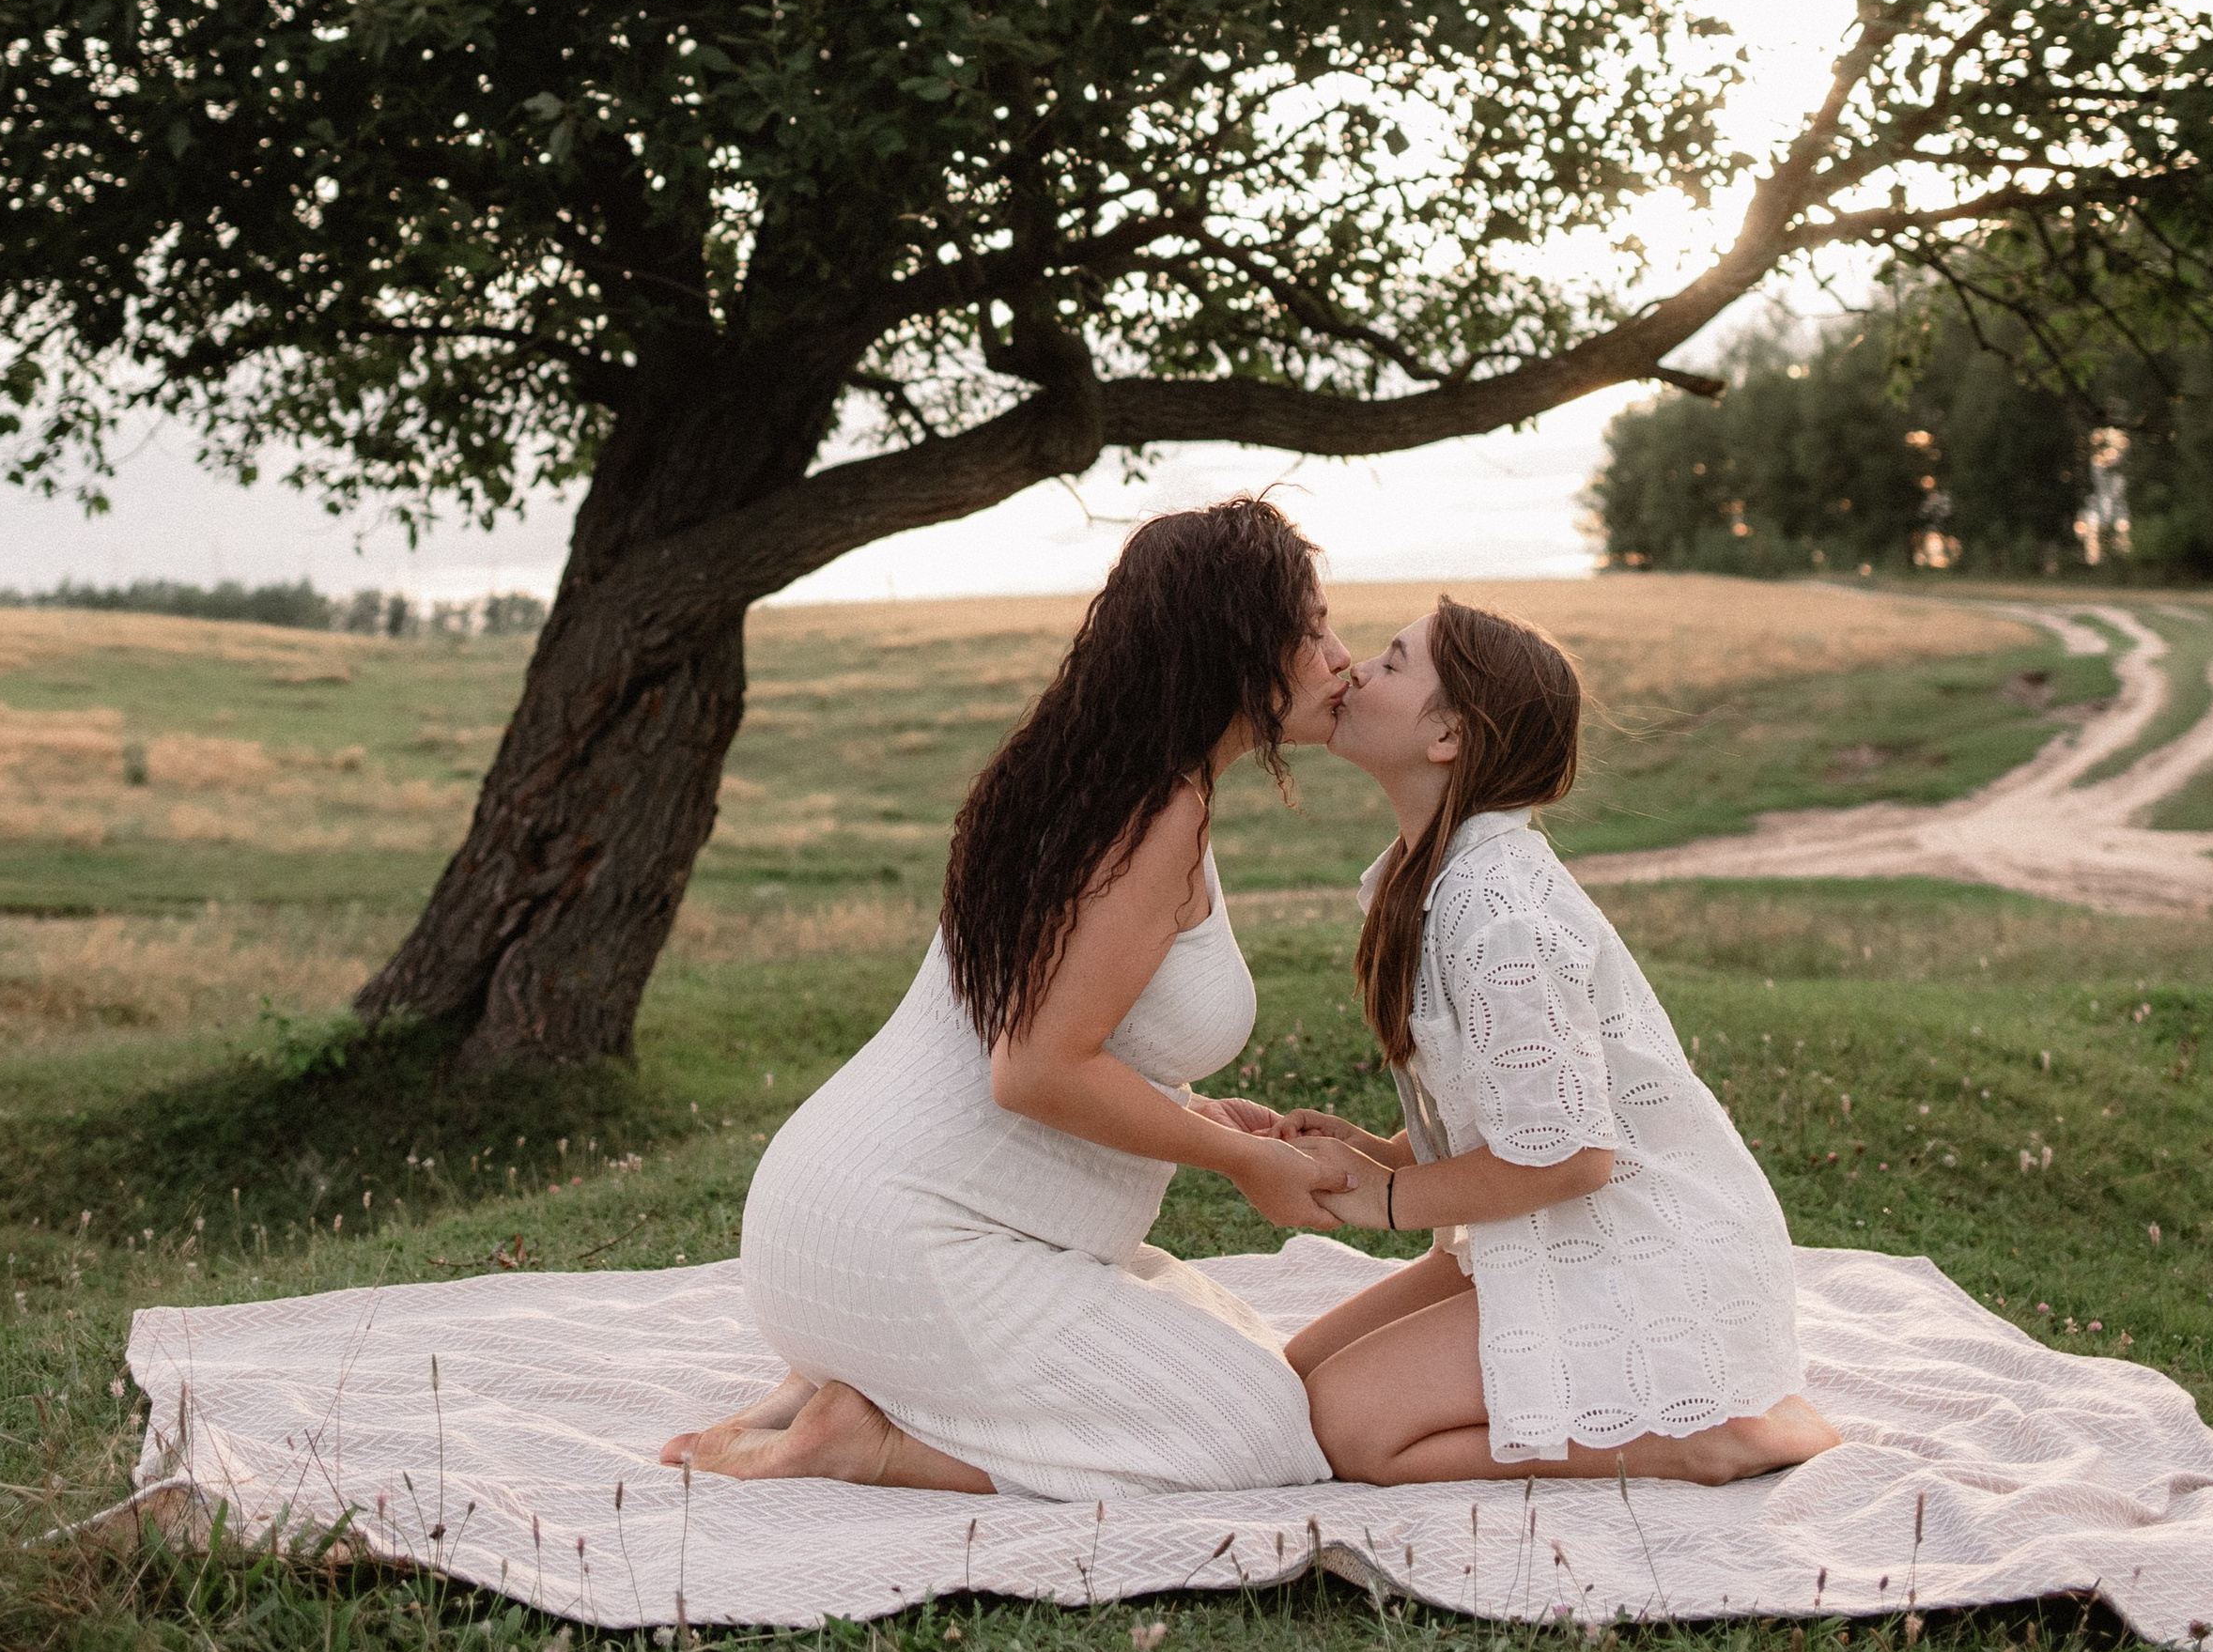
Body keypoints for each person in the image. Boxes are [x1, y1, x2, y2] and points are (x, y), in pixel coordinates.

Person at [662, 498, 1355, 1497]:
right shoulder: (1153, 812)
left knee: (1235, 1341)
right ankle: (871, 1441)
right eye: (1312, 629)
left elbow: (1057, 1032)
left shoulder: (1095, 782)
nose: (1340, 656)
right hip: (900, 1243)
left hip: (835, 1233)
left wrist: (1196, 1115)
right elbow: (1033, 1070)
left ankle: (846, 1384)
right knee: (1259, 1436)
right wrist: (1239, 1160)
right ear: (1233, 644)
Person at [1278, 596, 1841, 1486]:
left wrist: (1383, 1200)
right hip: (1547, 1225)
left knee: (1351, 1430)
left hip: (1635, 1245)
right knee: (1292, 1390)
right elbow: (1517, 1116)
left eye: (1391, 662)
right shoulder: (1427, 877)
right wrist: (1363, 1152)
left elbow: (1572, 1157)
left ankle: (1701, 1440)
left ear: (1449, 737)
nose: (1354, 671)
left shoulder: (1498, 910)